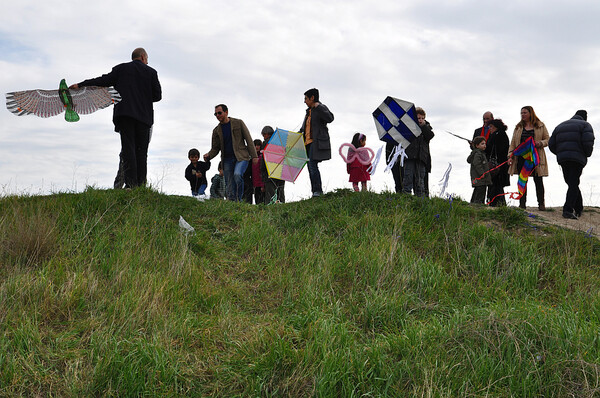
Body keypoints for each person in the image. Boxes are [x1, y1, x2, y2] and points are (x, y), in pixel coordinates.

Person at [70, 48, 162, 188]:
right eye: (147, 59)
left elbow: (102, 80)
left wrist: (81, 85)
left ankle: (131, 185)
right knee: (142, 152)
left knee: (128, 149)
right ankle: (141, 185)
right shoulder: (151, 72)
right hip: (144, 117)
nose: (147, 62)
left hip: (125, 115)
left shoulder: (120, 69)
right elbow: (157, 96)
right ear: (143, 57)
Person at [204, 104, 258, 201]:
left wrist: (254, 156)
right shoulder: (216, 131)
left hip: (241, 157)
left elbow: (249, 140)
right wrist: (209, 155)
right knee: (229, 184)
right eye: (215, 114)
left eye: (219, 113)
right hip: (227, 159)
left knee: (237, 175)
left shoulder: (238, 123)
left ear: (226, 112)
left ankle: (239, 198)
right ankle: (233, 203)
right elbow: (215, 148)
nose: (217, 115)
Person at [549, 110, 595, 219]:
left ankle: (578, 208)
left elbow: (551, 144)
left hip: (563, 159)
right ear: (585, 117)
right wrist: (586, 154)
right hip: (577, 159)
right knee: (573, 183)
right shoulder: (585, 125)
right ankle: (568, 210)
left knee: (571, 182)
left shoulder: (560, 125)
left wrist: (560, 153)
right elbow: (588, 142)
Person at [507, 106, 550, 210]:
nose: (522, 115)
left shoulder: (540, 125)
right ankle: (522, 204)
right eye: (521, 113)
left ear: (531, 113)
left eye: (525, 113)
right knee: (522, 180)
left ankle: (541, 204)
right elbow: (513, 143)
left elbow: (548, 139)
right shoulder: (518, 127)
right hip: (521, 157)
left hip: (536, 157)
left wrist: (540, 143)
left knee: (538, 180)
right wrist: (510, 156)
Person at [300, 88, 334, 197]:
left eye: (306, 98)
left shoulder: (320, 108)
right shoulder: (308, 112)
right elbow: (303, 129)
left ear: (312, 98)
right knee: (310, 167)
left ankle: (318, 191)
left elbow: (330, 118)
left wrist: (319, 106)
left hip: (316, 142)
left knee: (313, 165)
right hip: (307, 143)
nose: (304, 101)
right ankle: (314, 191)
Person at [403, 107, 434, 197]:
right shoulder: (409, 127)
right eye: (418, 118)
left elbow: (430, 136)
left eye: (422, 118)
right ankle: (406, 196)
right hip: (410, 156)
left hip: (421, 158)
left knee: (420, 180)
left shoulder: (427, 128)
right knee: (408, 177)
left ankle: (420, 198)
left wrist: (423, 127)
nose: (420, 120)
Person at [485, 119, 511, 206]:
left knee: (496, 184)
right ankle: (499, 203)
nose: (489, 129)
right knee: (497, 185)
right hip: (499, 164)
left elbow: (494, 148)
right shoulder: (500, 134)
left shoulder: (498, 134)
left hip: (498, 164)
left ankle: (495, 203)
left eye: (491, 126)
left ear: (496, 126)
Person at [260, 126, 286, 203]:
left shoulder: (266, 143)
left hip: (270, 170)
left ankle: (270, 209)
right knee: (280, 192)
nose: (264, 137)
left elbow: (264, 159)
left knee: (270, 194)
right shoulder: (281, 143)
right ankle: (282, 206)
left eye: (264, 135)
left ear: (266, 134)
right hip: (280, 170)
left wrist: (263, 172)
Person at [468, 136, 492, 204]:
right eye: (482, 144)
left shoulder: (482, 153)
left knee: (478, 190)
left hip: (481, 178)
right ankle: (478, 204)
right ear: (477, 145)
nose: (484, 145)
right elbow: (477, 164)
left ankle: (473, 203)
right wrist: (482, 173)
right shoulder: (478, 154)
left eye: (485, 143)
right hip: (479, 177)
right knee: (480, 191)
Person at [252, 139, 265, 204]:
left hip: (261, 183)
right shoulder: (251, 157)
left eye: (258, 145)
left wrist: (263, 185)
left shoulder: (262, 156)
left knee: (262, 202)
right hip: (255, 184)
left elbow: (263, 171)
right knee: (257, 202)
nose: (256, 147)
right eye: (255, 145)